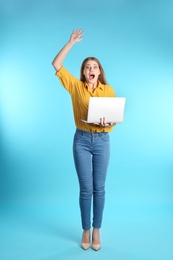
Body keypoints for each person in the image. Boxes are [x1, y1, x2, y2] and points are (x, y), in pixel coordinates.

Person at [52, 29, 116, 251]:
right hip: (81, 141)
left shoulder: (108, 91)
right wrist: (70, 43)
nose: (91, 69)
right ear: (83, 71)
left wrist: (109, 124)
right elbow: (56, 64)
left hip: (102, 141)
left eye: (94, 66)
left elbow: (113, 119)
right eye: (87, 67)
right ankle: (85, 229)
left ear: (99, 72)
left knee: (99, 188)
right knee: (85, 188)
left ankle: (97, 229)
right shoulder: (75, 87)